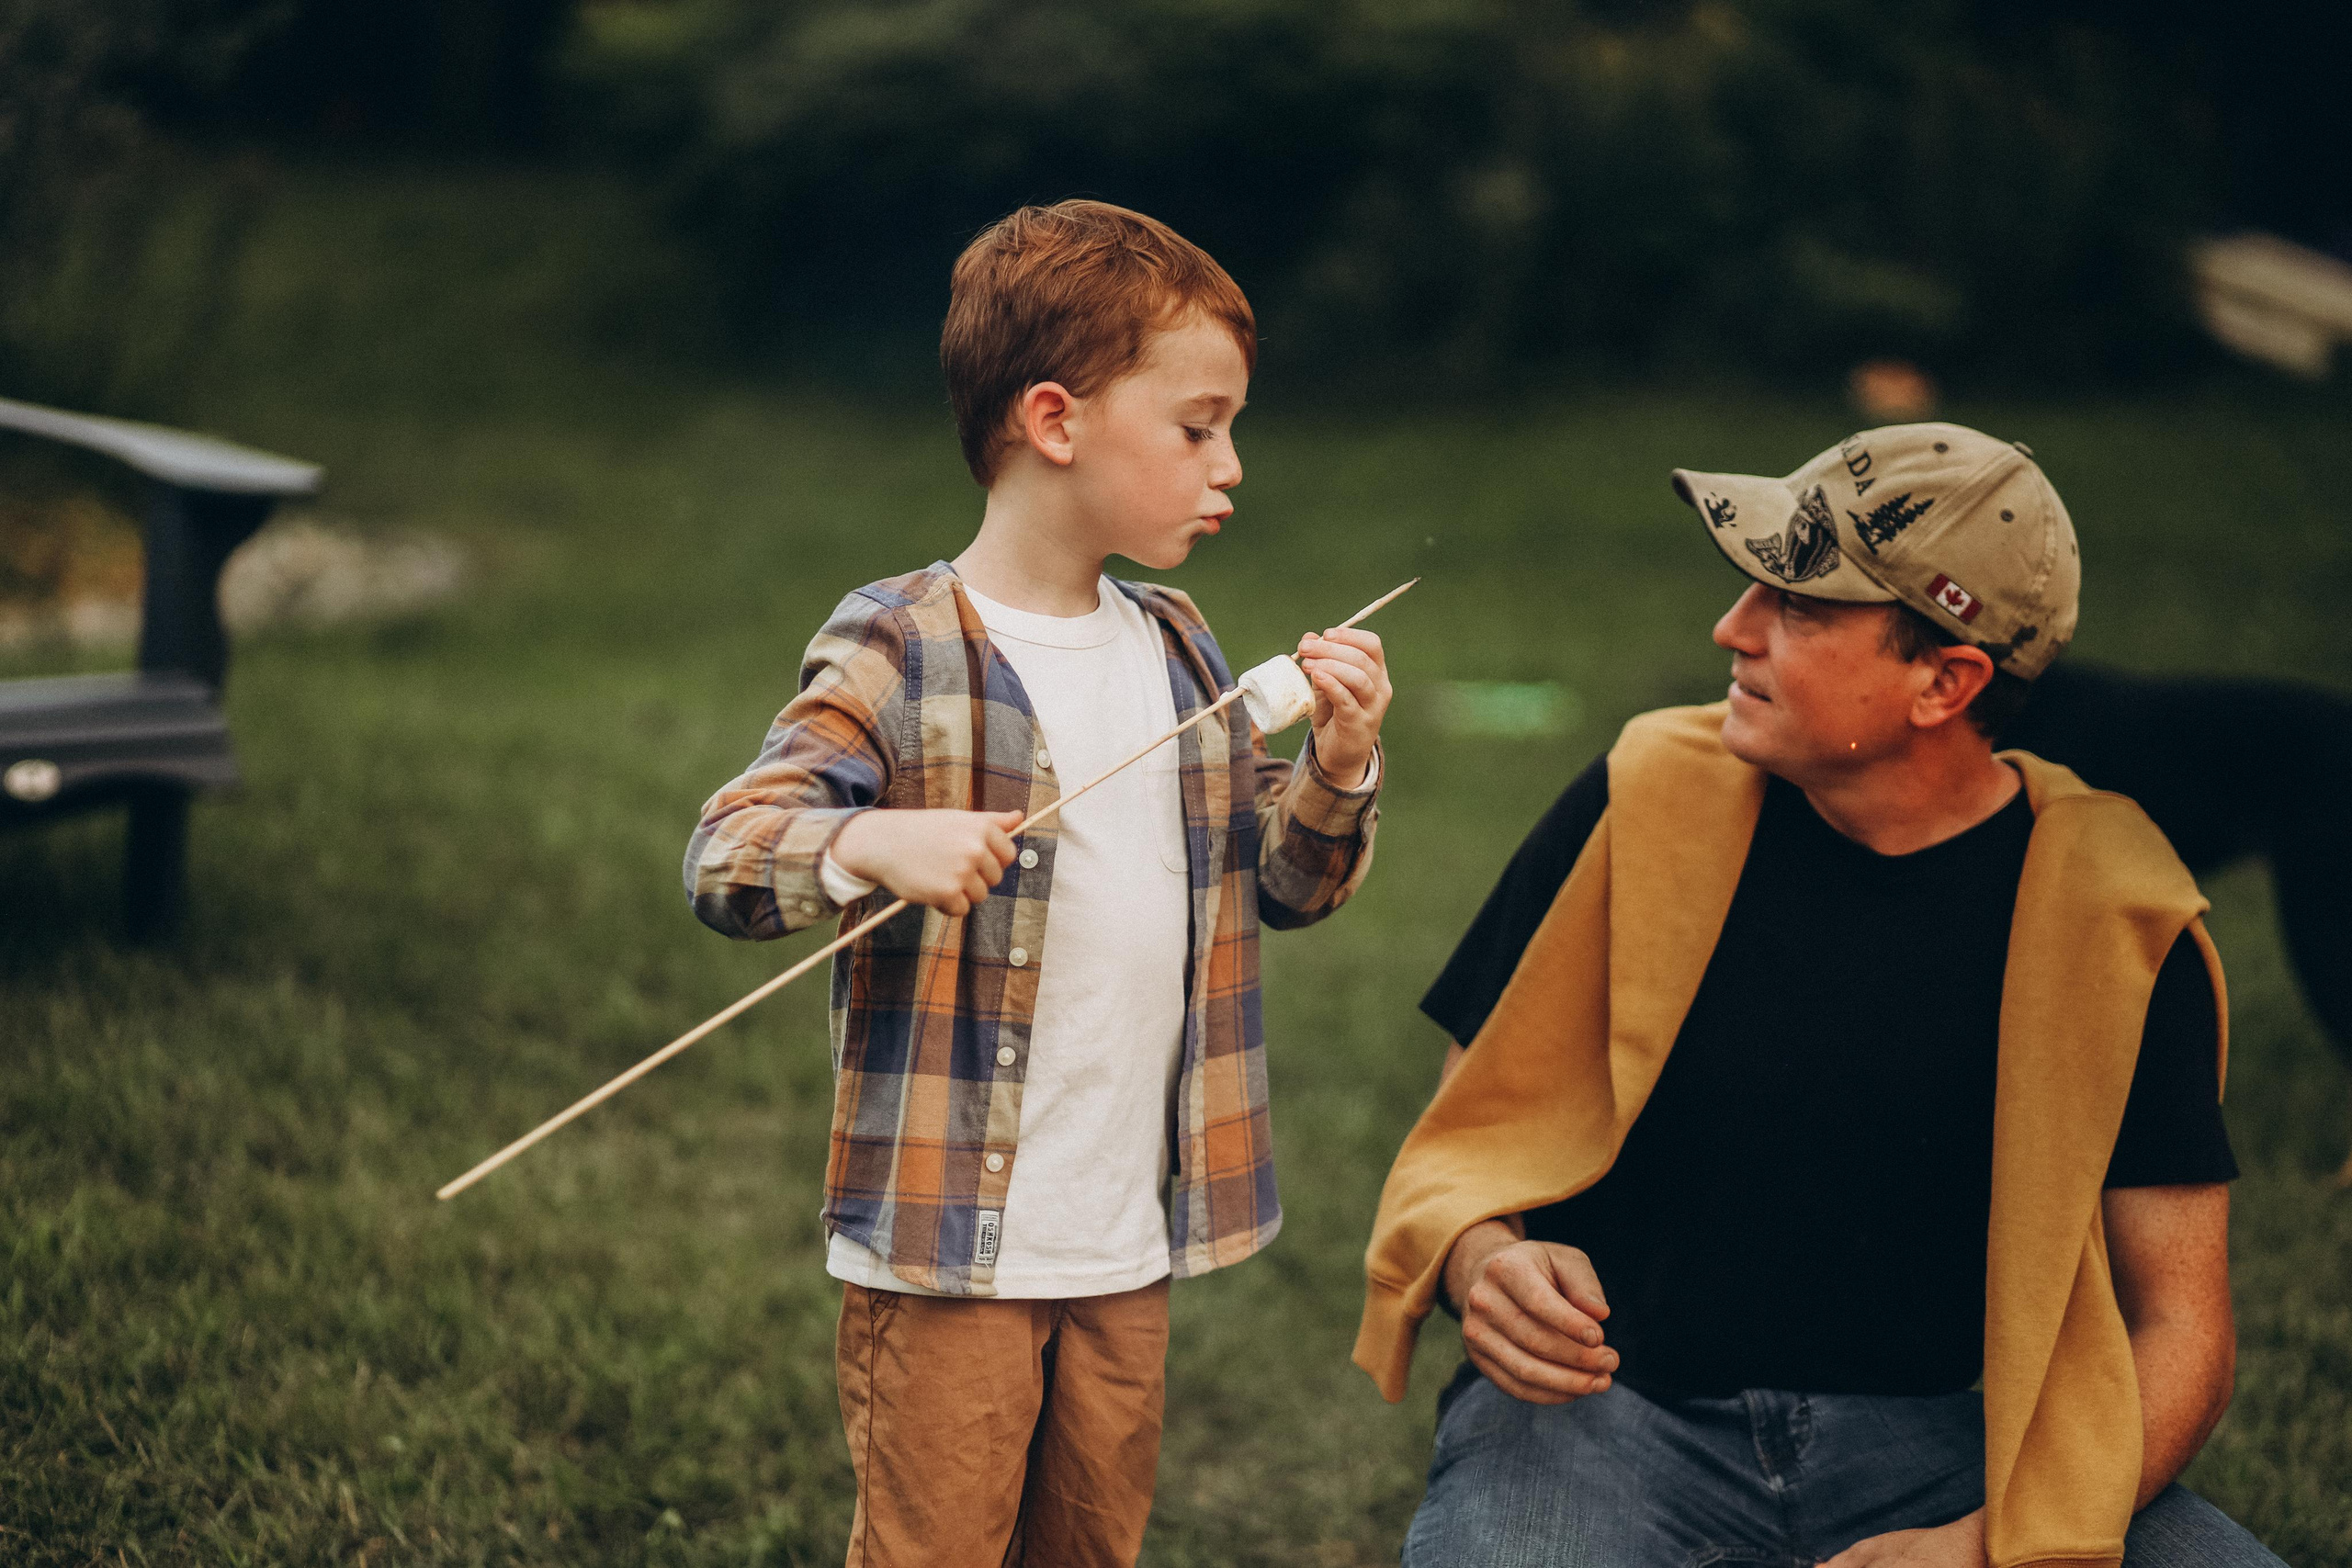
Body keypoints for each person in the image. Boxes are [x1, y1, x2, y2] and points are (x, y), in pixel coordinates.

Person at [1355, 423, 2281, 1567]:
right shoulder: (1639, 797)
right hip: (1602, 1414)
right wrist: (1481, 1257)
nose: (1730, 630)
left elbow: (2182, 1327)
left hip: (1954, 1439)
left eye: (1796, 609)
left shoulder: (2113, 914)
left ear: (1945, 681)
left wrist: (1981, 1544)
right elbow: (1464, 1138)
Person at [684, 199, 1391, 1567]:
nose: (1230, 463)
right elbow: (726, 851)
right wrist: (866, 844)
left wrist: (1342, 767)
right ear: (1056, 421)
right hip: (950, 1248)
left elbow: (1284, 882)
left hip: (1123, 1239)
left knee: (1088, 1546)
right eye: (1198, 427)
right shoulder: (904, 642)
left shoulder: (1179, 641)